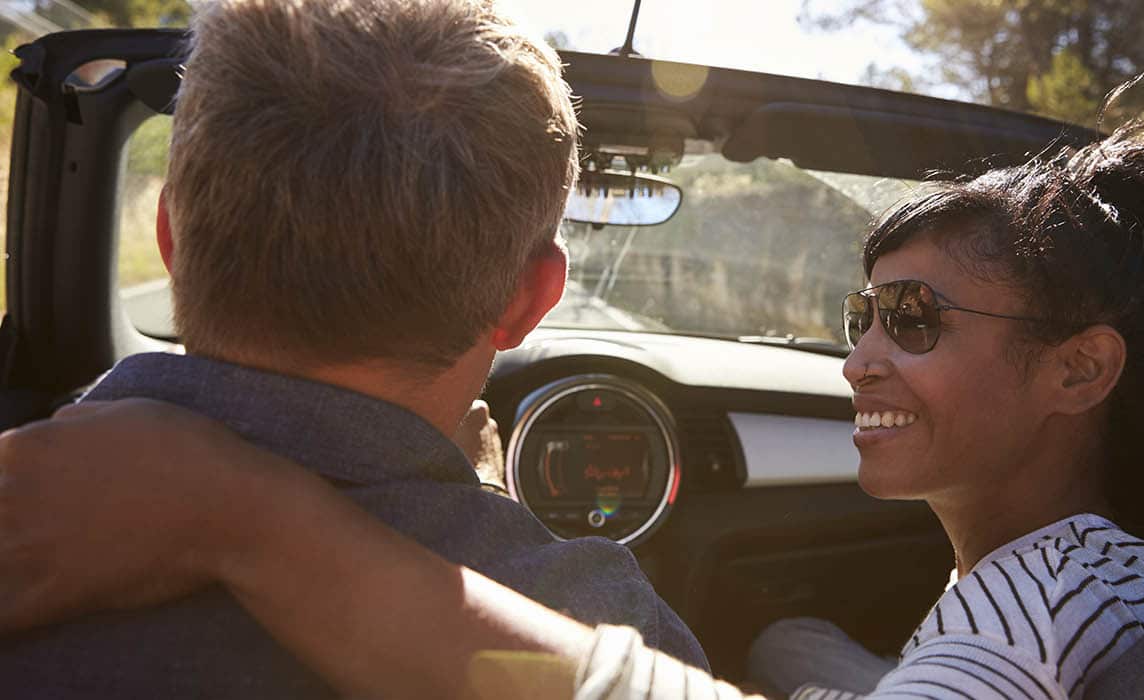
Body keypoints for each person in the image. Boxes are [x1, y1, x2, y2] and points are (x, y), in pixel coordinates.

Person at [0, 123, 1144, 699]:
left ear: (1079, 371)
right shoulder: (1090, 579)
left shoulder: (1043, 598)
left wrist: (250, 520)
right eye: (859, 316)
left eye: (913, 320)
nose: (854, 364)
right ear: (529, 299)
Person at [0, 0, 706, 697]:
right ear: (530, 301)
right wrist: (483, 501)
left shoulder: (24, 521)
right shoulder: (608, 625)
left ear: (171, 240)